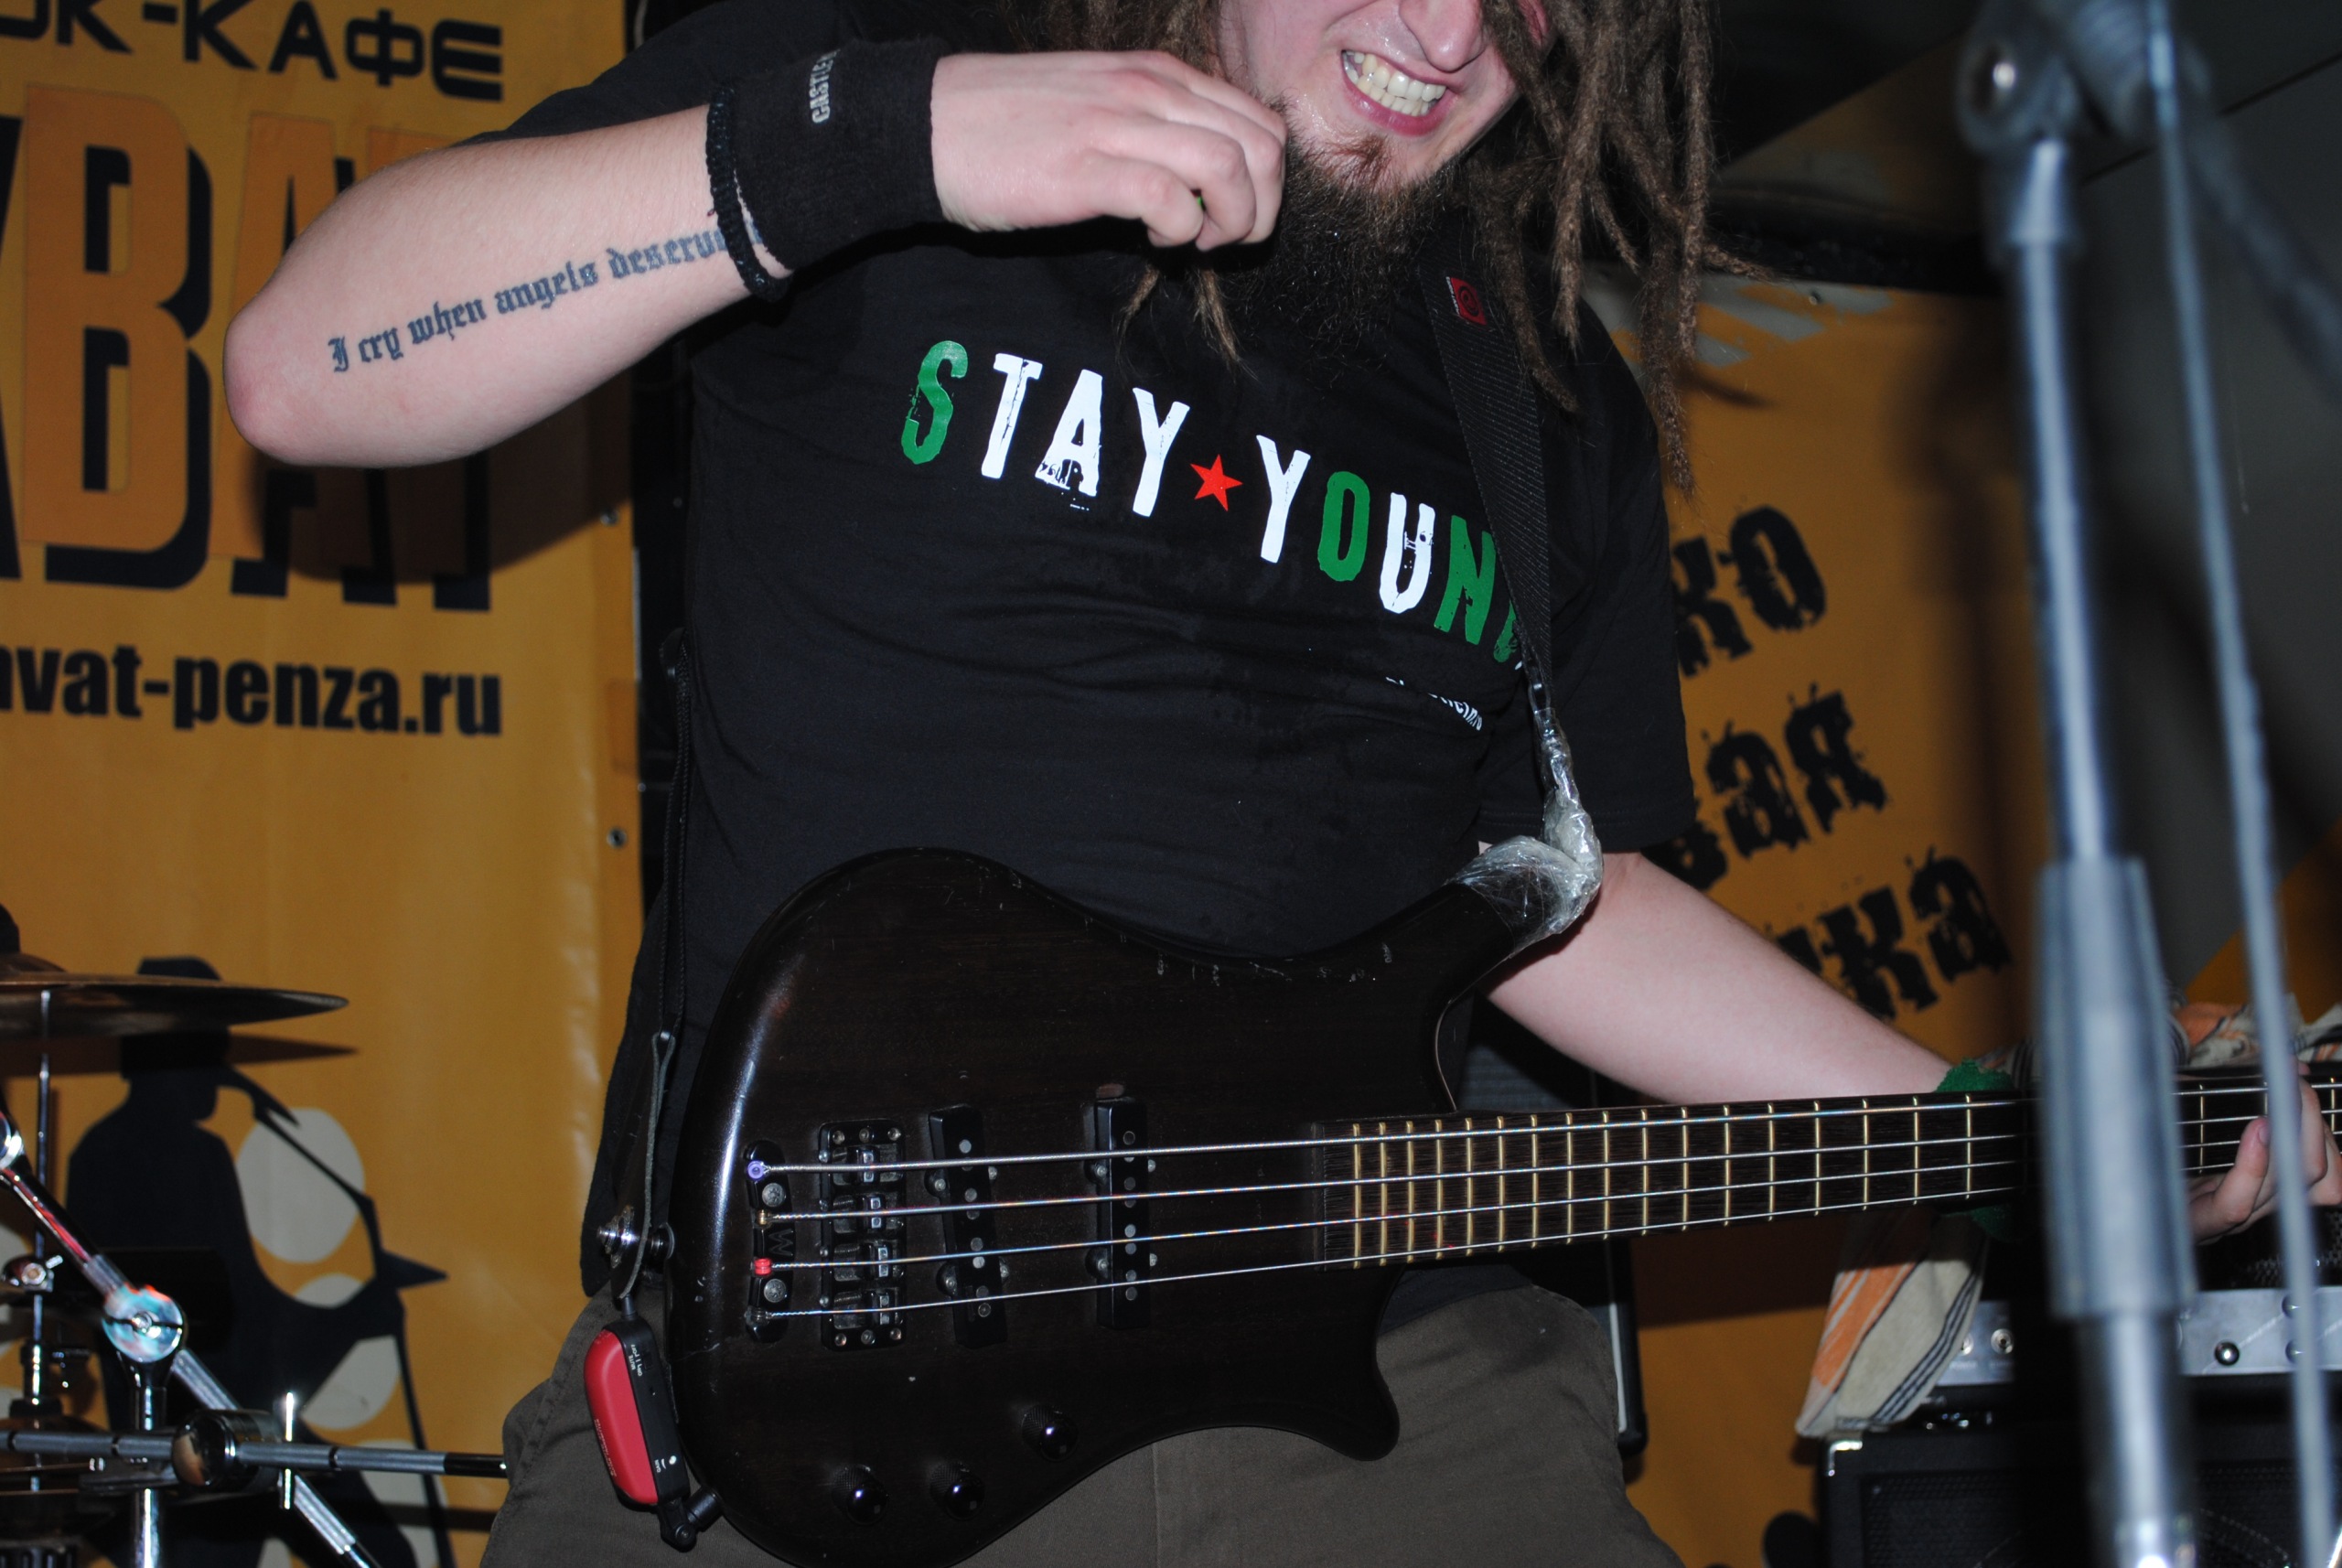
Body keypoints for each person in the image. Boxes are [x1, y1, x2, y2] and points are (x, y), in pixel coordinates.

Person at [222, 1, 2342, 1563]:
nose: (1450, 33)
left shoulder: (1540, 394)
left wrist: (2013, 1141)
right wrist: (891, 140)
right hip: (831, 1385)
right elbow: (309, 367)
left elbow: (1559, 899)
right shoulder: (884, 92)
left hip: (1401, 1404)